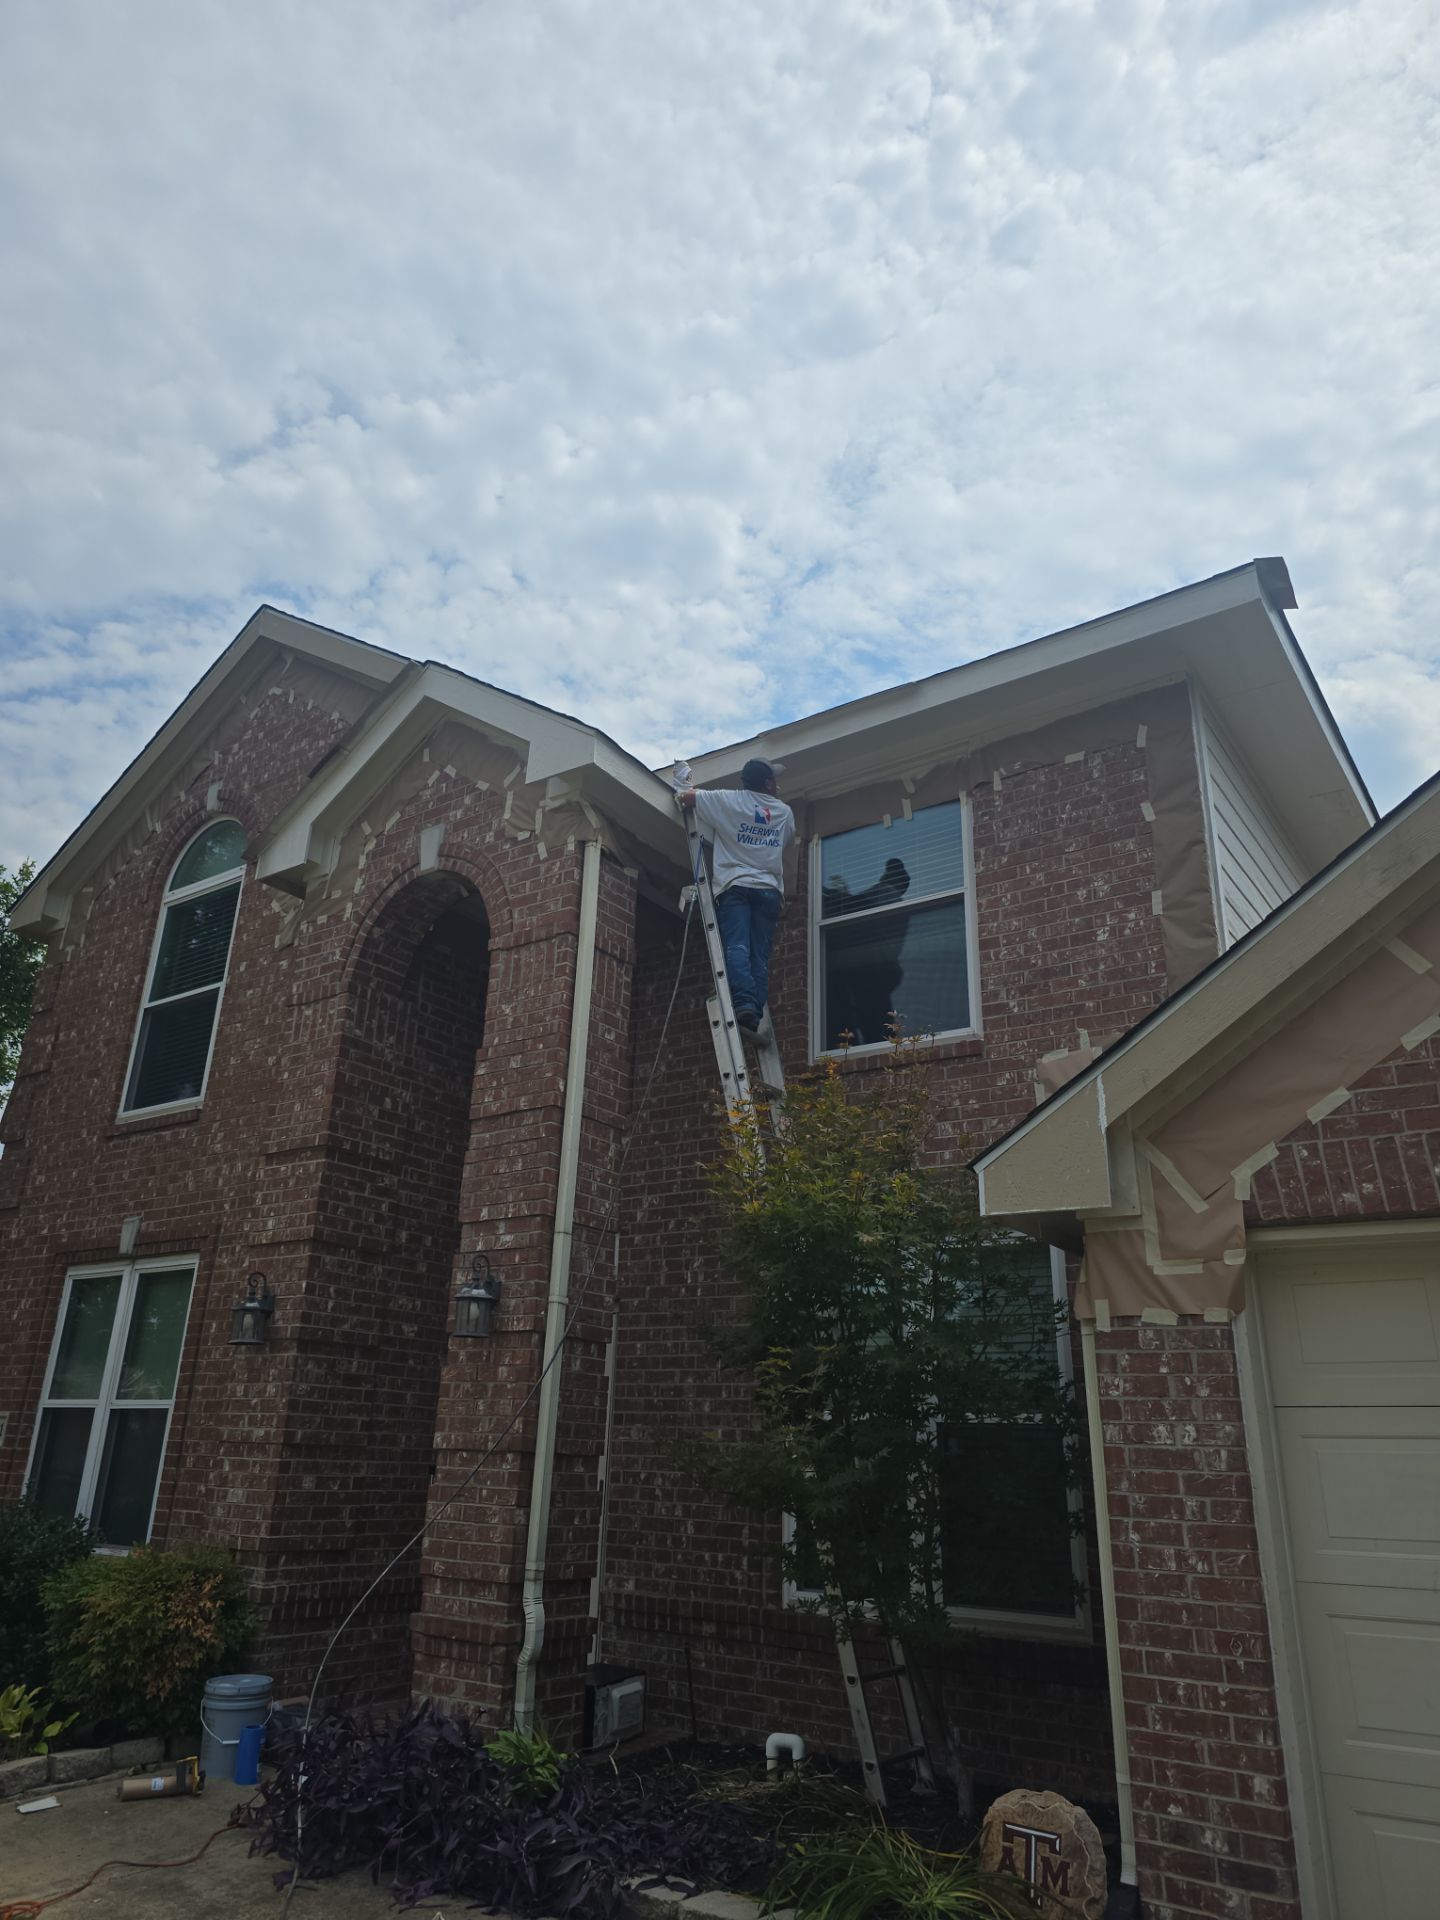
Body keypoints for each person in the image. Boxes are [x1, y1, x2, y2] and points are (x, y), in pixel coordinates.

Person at [679, 757, 796, 1032]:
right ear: (767, 783)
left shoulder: (727, 801)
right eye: (774, 780)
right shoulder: (783, 812)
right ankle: (753, 1009)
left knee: (737, 947)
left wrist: (683, 780)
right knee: (759, 954)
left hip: (736, 886)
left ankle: (743, 1003)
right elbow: (788, 839)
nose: (777, 785)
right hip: (768, 890)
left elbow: (686, 798)